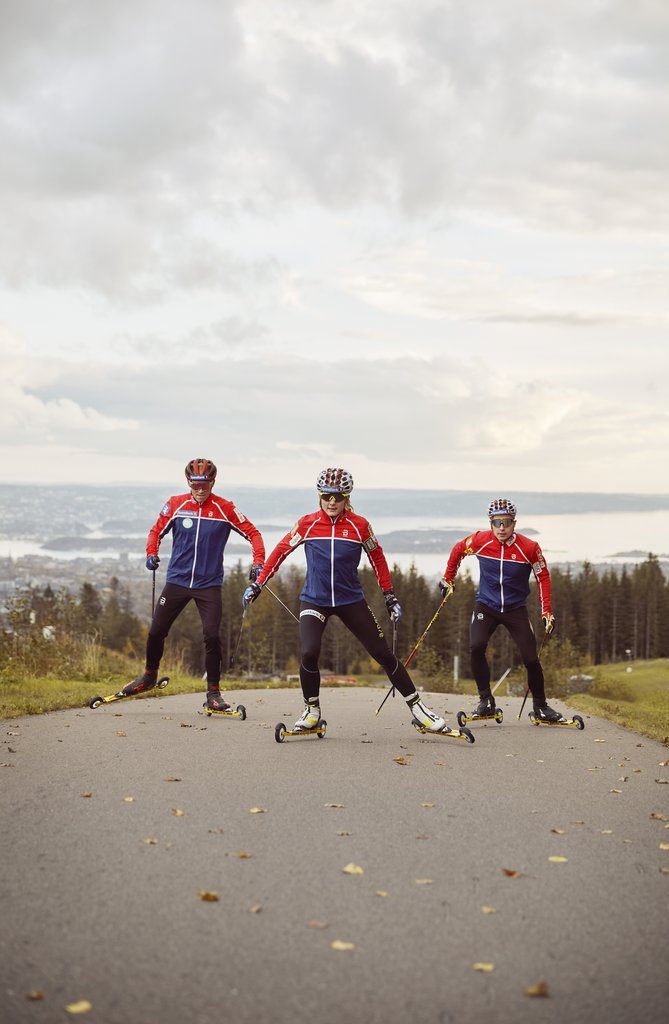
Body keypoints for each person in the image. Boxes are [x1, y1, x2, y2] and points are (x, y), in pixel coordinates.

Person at [242, 467, 448, 733]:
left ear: (346, 498)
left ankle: (420, 710)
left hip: (350, 600)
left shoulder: (359, 526)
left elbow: (378, 560)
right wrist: (258, 585)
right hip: (314, 600)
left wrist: (390, 596)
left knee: (383, 654)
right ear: (319, 496)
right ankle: (312, 710)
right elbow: (281, 551)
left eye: (337, 497)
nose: (331, 502)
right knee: (308, 651)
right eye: (326, 496)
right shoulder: (307, 524)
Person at [121, 459, 265, 711]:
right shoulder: (176, 504)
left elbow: (254, 533)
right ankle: (148, 677)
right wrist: (151, 553)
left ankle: (213, 693)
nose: (200, 489)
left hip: (208, 584)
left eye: (205, 484)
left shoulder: (225, 508)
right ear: (188, 482)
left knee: (211, 636)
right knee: (156, 631)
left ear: (213, 482)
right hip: (177, 580)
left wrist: (259, 562)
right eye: (195, 484)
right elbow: (156, 531)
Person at [439, 497, 561, 722]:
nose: (502, 528)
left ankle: (541, 707)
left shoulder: (530, 548)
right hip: (486, 604)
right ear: (490, 523)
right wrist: (448, 579)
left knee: (531, 659)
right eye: (497, 523)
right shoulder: (479, 540)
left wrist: (547, 611)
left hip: (515, 608)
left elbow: (542, 576)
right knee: (476, 646)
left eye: (506, 522)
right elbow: (458, 550)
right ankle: (486, 701)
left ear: (514, 523)